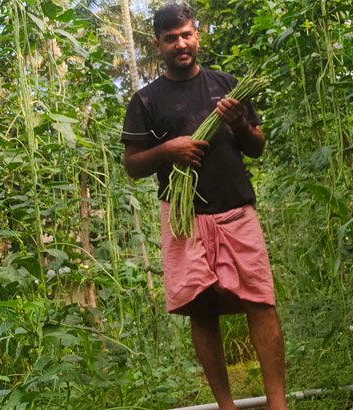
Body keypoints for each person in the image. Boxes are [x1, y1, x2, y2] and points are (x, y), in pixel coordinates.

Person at [120, 4, 287, 410]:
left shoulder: (228, 86)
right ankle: (226, 406)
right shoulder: (145, 100)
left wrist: (239, 124)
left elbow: (257, 147)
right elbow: (132, 166)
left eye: (187, 35)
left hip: (236, 211)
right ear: (157, 45)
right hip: (184, 219)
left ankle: (278, 404)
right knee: (202, 309)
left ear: (197, 35)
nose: (182, 44)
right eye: (171, 38)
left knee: (261, 303)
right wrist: (168, 150)